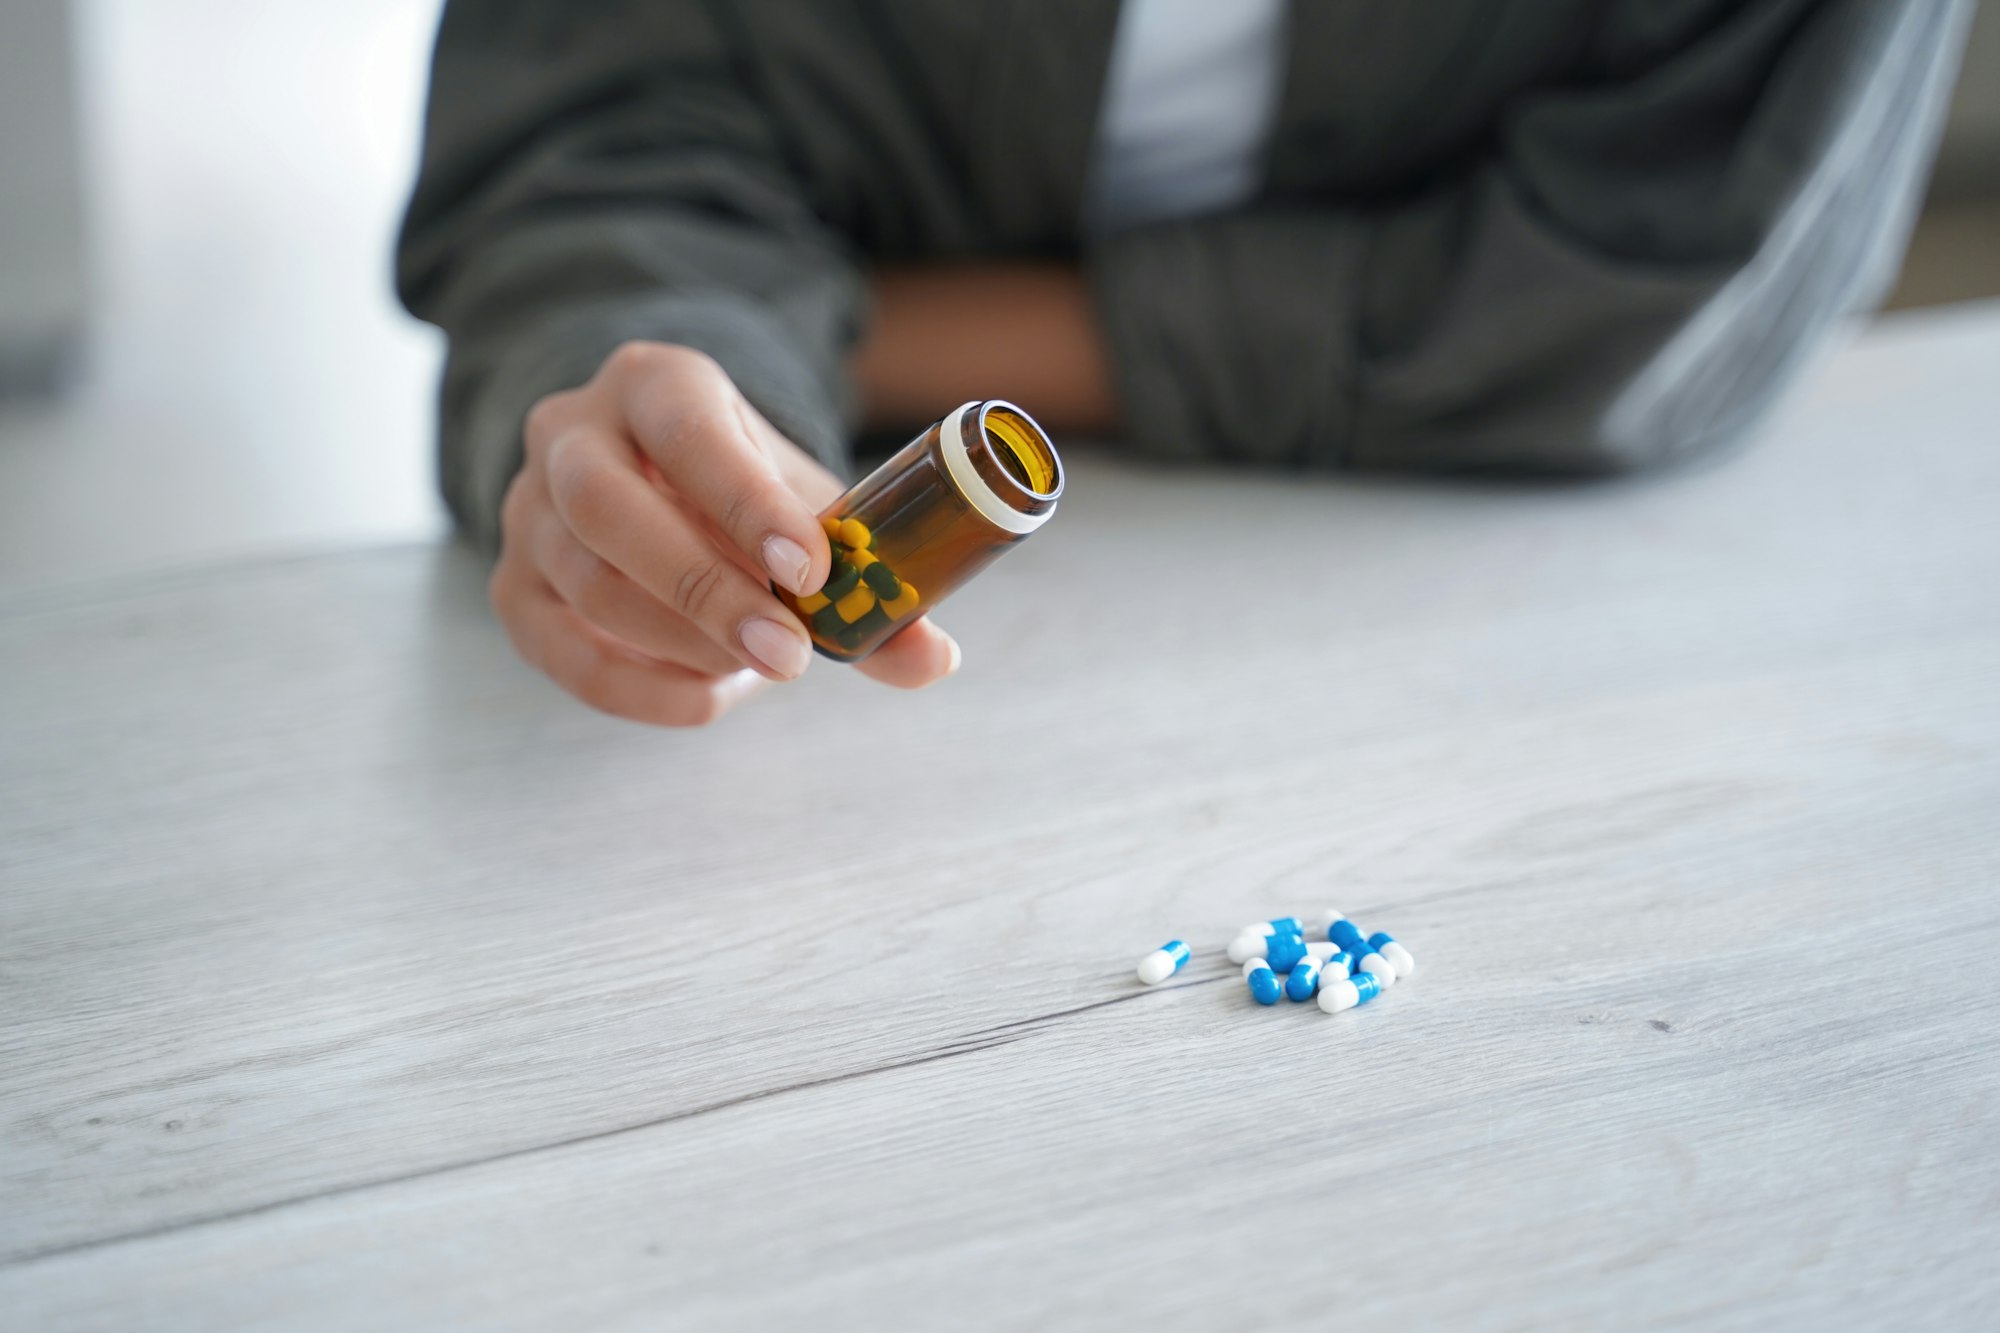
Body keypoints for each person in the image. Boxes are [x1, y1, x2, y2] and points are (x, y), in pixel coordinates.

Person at [397, 0, 1969, 726]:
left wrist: (883, 323)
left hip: (1521, 624)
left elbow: (1671, 278)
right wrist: (659, 394)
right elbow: (584, 156)